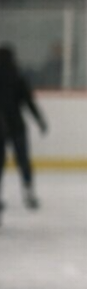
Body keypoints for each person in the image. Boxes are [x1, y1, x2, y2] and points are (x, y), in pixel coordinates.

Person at [0, 44, 47, 220]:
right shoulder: (17, 77)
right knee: (23, 161)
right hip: (17, 126)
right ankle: (28, 193)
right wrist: (40, 121)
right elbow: (29, 102)